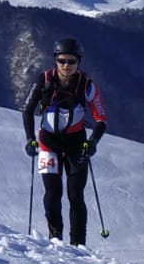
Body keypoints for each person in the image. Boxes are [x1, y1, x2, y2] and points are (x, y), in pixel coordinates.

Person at [22, 37, 108, 245]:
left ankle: (78, 244)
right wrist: (30, 139)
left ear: (79, 62)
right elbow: (27, 110)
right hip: (48, 142)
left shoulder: (87, 86)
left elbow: (101, 119)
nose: (66, 65)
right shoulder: (43, 80)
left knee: (75, 195)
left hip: (76, 144)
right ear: (55, 60)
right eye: (61, 60)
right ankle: (55, 238)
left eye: (71, 61)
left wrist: (93, 141)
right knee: (52, 193)